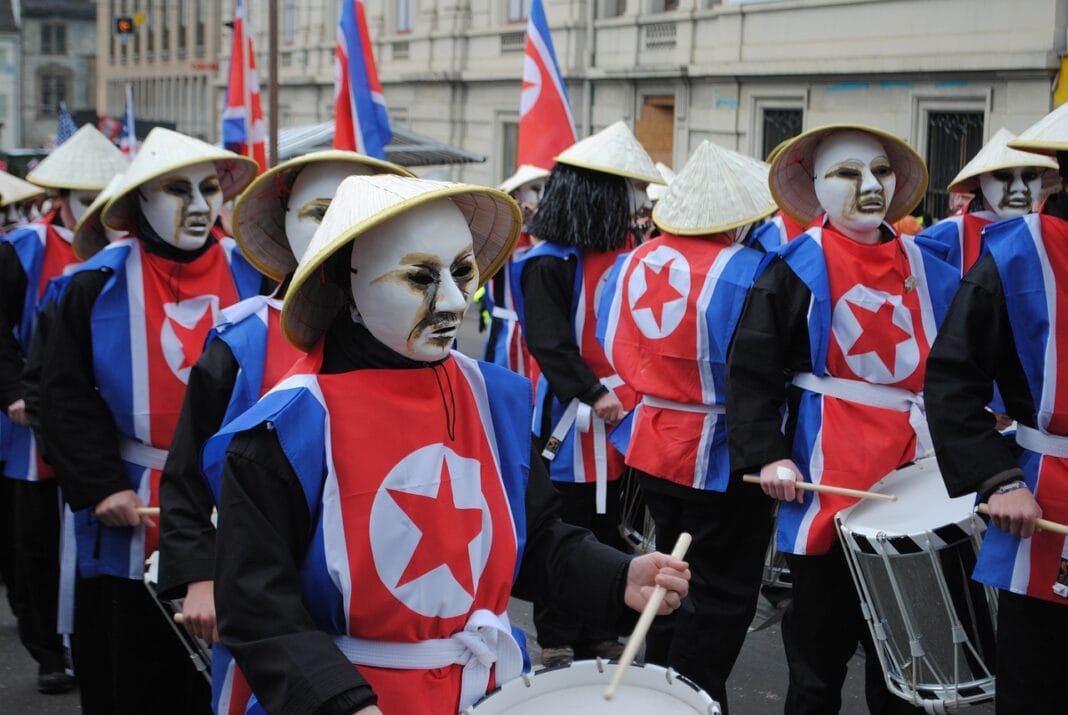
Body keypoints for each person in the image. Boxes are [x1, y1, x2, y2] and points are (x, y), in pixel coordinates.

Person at [204, 174, 691, 715]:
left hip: (486, 694)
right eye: (420, 277)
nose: (456, 300)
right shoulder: (285, 429)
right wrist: (342, 705)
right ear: (348, 282)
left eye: (463, 272)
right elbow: (258, 606)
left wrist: (619, 576)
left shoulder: (495, 398)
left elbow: (536, 537)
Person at [155, 149, 411, 714]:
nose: (339, 229)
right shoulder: (240, 342)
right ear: (286, 223)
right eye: (321, 212)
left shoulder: (413, 345)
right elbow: (187, 473)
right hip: (270, 613)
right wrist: (200, 577)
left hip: (394, 614)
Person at [726, 124, 958, 714]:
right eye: (847, 173)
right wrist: (769, 453)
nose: (870, 186)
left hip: (915, 473)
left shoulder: (929, 266)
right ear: (816, 186)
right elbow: (752, 371)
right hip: (825, 473)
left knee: (908, 660)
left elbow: (965, 367)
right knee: (817, 653)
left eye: (880, 171)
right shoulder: (793, 265)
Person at [38, 127, 262, 714]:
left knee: (236, 663)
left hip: (235, 494)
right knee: (131, 669)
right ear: (139, 200)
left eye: (209, 188)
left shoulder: (255, 274)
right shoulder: (91, 285)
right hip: (130, 498)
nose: (198, 206)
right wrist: (101, 484)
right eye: (176, 191)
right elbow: (60, 395)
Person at [597, 140, 777, 711]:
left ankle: (660, 691)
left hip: (652, 442)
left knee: (670, 578)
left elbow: (612, 341)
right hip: (721, 450)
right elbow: (767, 366)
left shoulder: (633, 260)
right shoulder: (752, 270)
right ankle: (695, 701)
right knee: (721, 594)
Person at [925, 103, 1068, 715]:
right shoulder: (1017, 253)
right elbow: (953, 377)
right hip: (1045, 499)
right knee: (1040, 686)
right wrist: (999, 478)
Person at [511, 120, 663, 666]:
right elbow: (549, 343)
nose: (633, 203)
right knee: (564, 520)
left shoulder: (628, 250)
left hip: (619, 415)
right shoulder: (546, 260)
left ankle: (598, 626)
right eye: (623, 192)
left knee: (604, 525)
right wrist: (592, 391)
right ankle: (556, 633)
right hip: (571, 417)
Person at [0, 125, 127, 694]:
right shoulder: (22, 248)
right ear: (61, 200)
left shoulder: (131, 260)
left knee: (98, 540)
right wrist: (14, 394)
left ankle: (89, 641)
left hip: (111, 421)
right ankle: (49, 648)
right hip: (32, 418)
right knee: (38, 538)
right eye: (84, 201)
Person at [916, 127, 1057, 276]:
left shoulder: (1049, 236)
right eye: (1004, 176)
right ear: (980, 180)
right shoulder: (941, 238)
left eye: (1030, 176)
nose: (1020, 188)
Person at [483, 163, 548, 382]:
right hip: (507, 327)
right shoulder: (502, 234)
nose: (539, 199)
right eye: (534, 190)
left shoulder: (543, 235)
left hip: (536, 327)